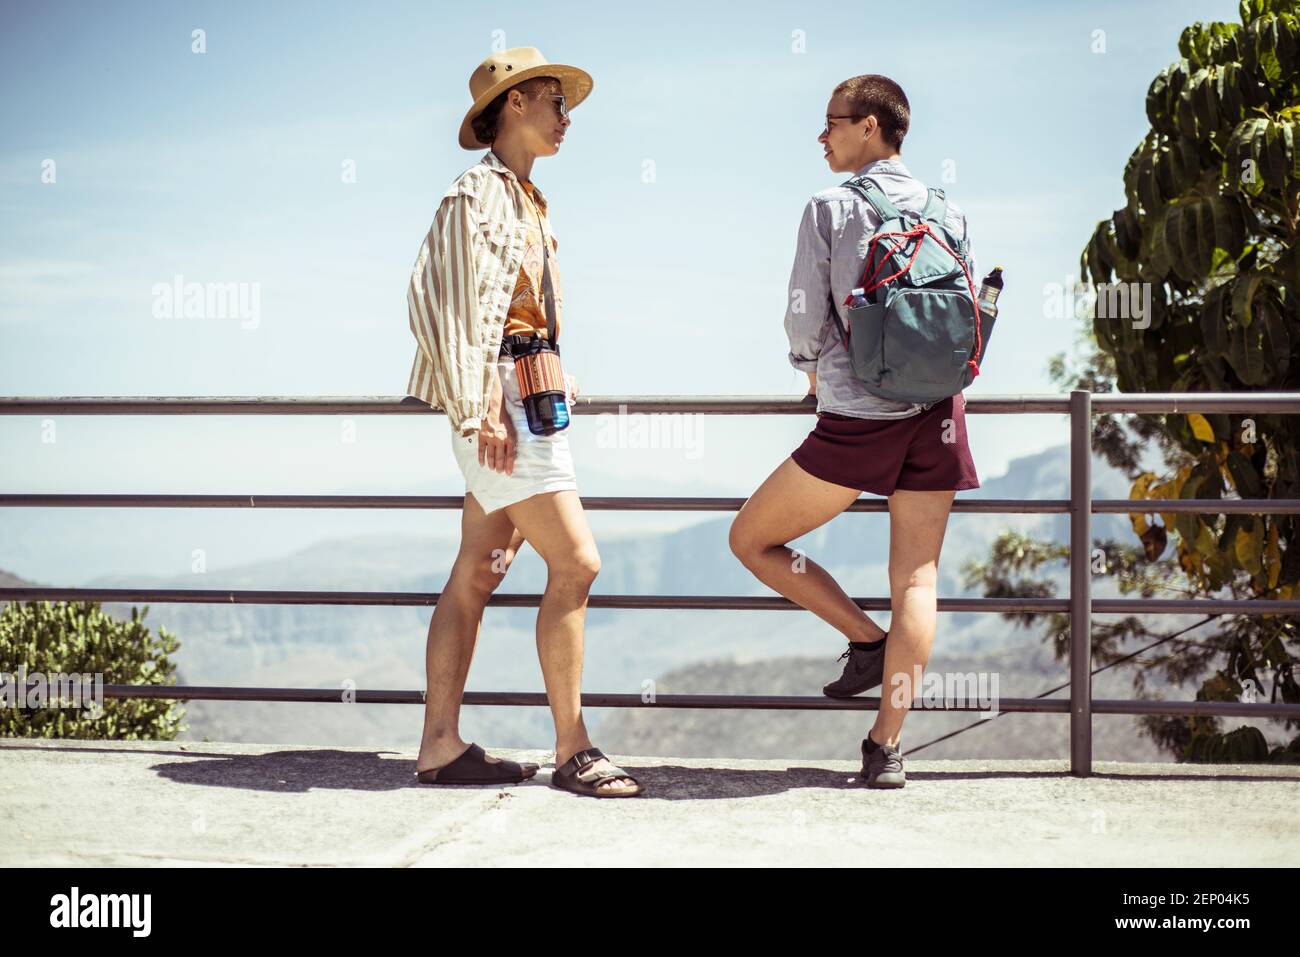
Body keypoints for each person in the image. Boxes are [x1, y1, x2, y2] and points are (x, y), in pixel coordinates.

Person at [728, 74, 980, 789]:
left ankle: (863, 638)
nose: (823, 135)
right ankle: (887, 747)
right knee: (918, 583)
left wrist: (809, 371)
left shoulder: (831, 207)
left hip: (858, 416)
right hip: (938, 414)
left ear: (870, 126)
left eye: (832, 122)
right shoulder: (948, 210)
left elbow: (805, 313)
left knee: (751, 538)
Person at [405, 47, 642, 797]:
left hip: (525, 398)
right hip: (499, 408)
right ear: (513, 103)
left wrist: (549, 366)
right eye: (554, 103)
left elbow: (514, 312)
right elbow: (434, 305)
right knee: (577, 562)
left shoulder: (527, 199)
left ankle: (439, 745)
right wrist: (479, 409)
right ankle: (573, 747)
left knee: (477, 568)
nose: (566, 119)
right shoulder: (471, 196)